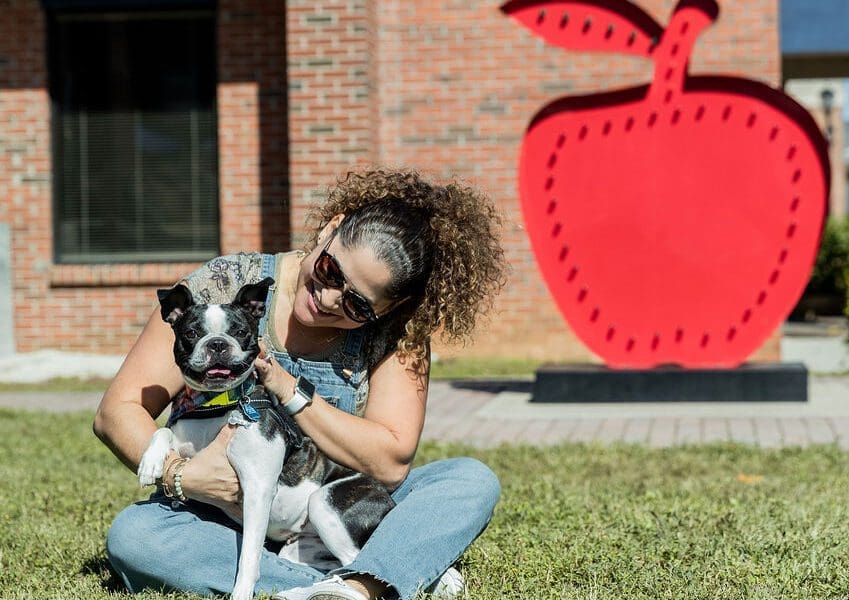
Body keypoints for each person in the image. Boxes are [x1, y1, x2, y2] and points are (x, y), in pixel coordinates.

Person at [95, 168, 507, 600]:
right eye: (331, 270)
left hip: (341, 505)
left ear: (390, 309)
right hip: (217, 519)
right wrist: (184, 476)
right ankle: (368, 580)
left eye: (357, 305)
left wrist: (289, 390)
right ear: (331, 229)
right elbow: (117, 411)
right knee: (135, 536)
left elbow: (388, 462)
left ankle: (355, 582)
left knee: (468, 480)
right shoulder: (225, 284)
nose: (329, 298)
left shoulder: (397, 332)